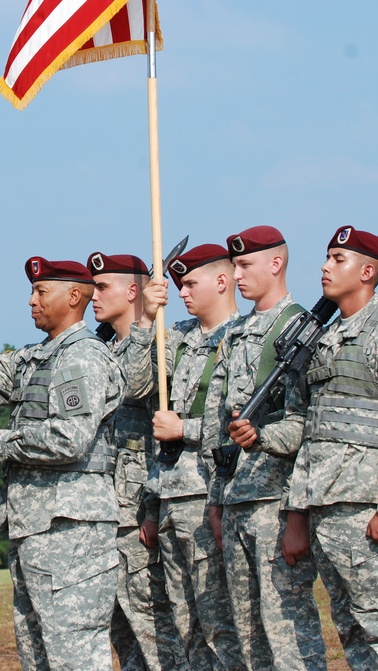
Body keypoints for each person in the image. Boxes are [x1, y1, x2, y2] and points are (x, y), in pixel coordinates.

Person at [0, 256, 125, 671]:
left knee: (75, 656)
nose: (31, 301)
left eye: (40, 291)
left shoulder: (82, 357)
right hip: (35, 527)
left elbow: (69, 438)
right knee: (39, 655)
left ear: (73, 296)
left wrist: (0, 441)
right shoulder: (34, 358)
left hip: (72, 531)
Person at [284, 226, 378, 670]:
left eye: (337, 259)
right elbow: (314, 434)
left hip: (366, 508)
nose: (325, 267)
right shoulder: (326, 340)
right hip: (328, 507)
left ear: (367, 271)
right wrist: (300, 510)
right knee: (349, 626)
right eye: (327, 257)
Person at [203, 226, 326, 671]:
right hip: (237, 499)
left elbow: (308, 428)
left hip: (276, 502)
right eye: (234, 265)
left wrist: (298, 513)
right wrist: (217, 498)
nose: (236, 275)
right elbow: (222, 425)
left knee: (288, 634)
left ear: (276, 264)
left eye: (245, 264)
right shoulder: (235, 334)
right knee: (247, 635)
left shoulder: (301, 331)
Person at [121, 244, 245, 671]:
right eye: (178, 285)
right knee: (184, 622)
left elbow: (245, 418)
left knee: (220, 623)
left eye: (191, 282)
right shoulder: (179, 338)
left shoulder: (242, 337)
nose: (183, 292)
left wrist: (185, 430)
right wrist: (144, 321)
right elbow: (135, 387)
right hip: (172, 495)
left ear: (222, 281)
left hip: (212, 494)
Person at [87, 251, 188, 671]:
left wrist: (146, 323)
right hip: (103, 507)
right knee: (122, 634)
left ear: (133, 291)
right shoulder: (101, 348)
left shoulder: (162, 341)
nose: (92, 295)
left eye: (102, 286)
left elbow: (137, 385)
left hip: (135, 508)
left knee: (154, 628)